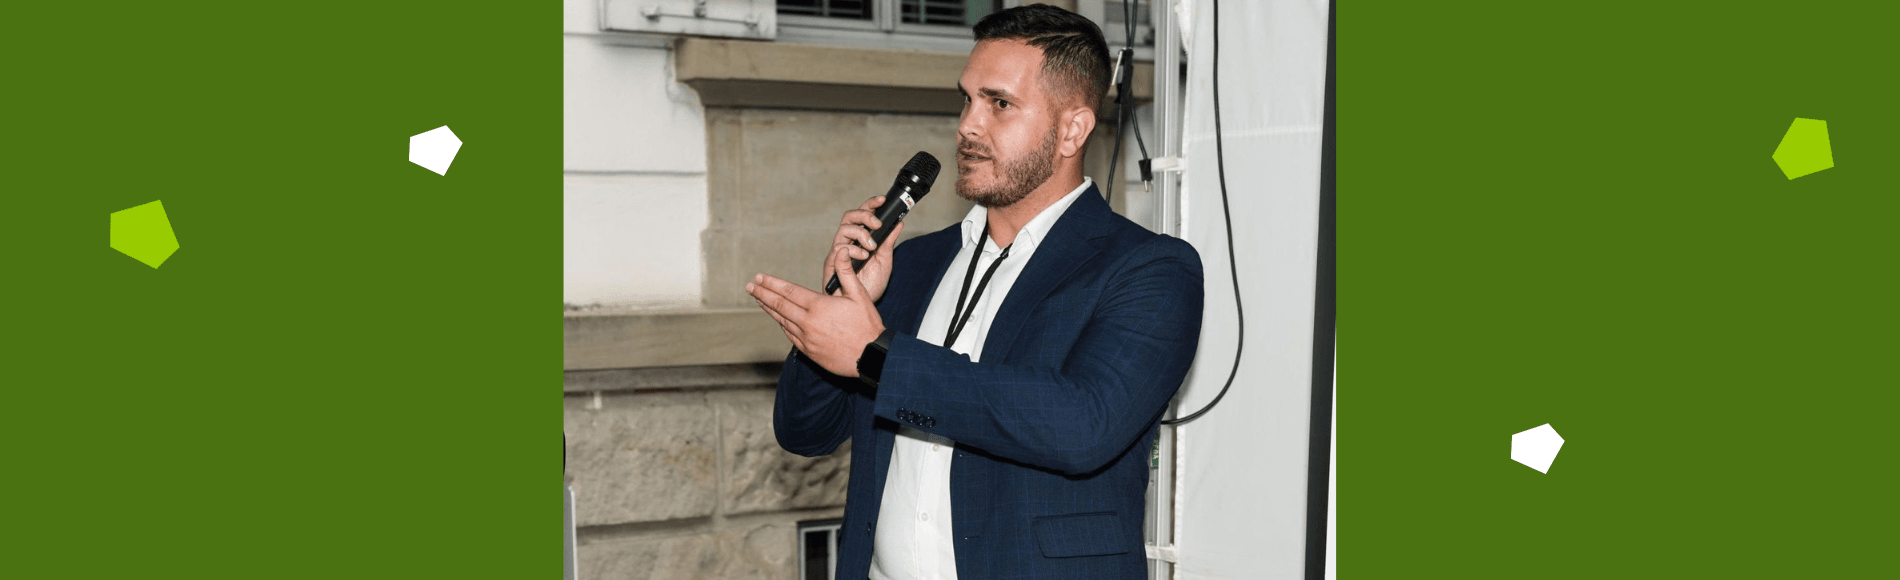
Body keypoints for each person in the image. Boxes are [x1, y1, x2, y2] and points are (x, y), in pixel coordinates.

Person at [745, 5, 1203, 579]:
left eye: (999, 104)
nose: (968, 125)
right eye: (966, 100)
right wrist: (843, 304)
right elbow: (805, 433)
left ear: (1072, 130)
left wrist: (875, 355)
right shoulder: (912, 264)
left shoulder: (1148, 268)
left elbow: (1083, 425)